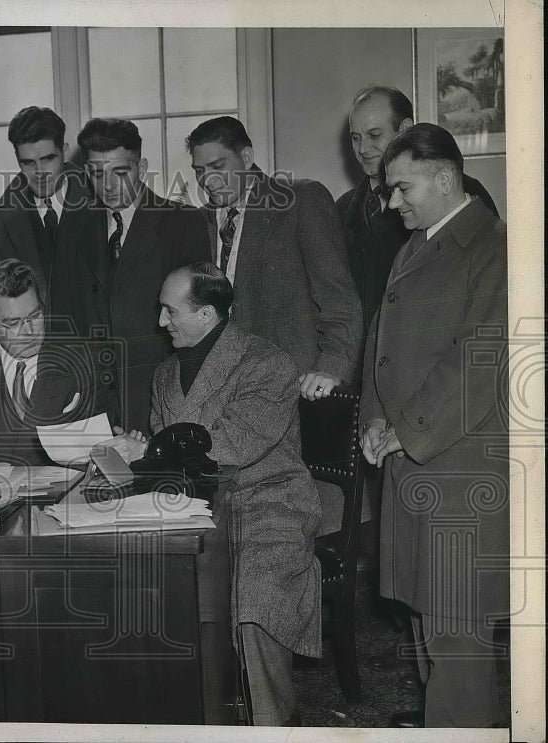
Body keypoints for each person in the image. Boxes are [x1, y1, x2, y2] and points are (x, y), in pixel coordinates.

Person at [121, 262, 321, 726]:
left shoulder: (266, 363)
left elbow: (235, 443)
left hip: (269, 503)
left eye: (170, 311)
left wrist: (149, 450)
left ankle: (270, 725)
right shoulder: (166, 375)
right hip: (194, 508)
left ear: (207, 315)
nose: (160, 322)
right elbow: (169, 459)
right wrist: (134, 455)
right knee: (136, 591)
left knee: (256, 599)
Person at [360, 123, 508, 729]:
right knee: (427, 620)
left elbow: (479, 358)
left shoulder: (494, 247)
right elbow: (382, 344)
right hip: (413, 460)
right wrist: (373, 417)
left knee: (457, 634)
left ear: (445, 178)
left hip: (458, 466)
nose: (394, 203)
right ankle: (440, 725)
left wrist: (405, 428)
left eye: (403, 187)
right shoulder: (416, 244)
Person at [187, 116, 362, 402]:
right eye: (198, 171)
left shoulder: (300, 200)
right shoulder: (197, 221)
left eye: (218, 166)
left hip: (296, 392)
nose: (207, 180)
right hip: (225, 396)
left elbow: (339, 301)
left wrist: (332, 369)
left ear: (246, 158)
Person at [52, 117, 209, 434]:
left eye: (120, 172)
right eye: (97, 173)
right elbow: (63, 317)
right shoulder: (73, 228)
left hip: (159, 402)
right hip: (93, 406)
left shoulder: (182, 222)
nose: (108, 185)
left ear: (142, 167)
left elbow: (200, 328)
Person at [0, 258, 120, 466]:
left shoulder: (83, 360)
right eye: (14, 323)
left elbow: (106, 448)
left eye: (35, 316)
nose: (29, 331)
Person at [338, 85, 499, 335]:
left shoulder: (464, 192)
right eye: (355, 137)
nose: (362, 149)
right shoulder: (343, 208)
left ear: (403, 129)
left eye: (374, 135)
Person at [0, 106, 97, 307]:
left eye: (47, 159)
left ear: (64, 152)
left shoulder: (101, 199)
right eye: (28, 163)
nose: (39, 173)